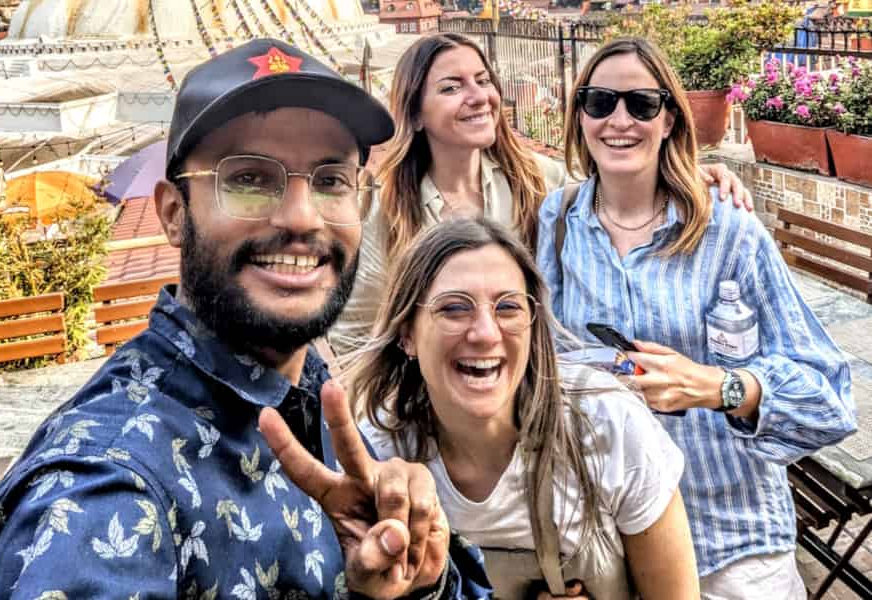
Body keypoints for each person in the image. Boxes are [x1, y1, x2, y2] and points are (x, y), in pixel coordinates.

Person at [0, 39, 491, 599]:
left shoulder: (309, 391)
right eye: (247, 179)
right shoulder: (103, 500)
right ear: (174, 213)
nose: (301, 217)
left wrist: (413, 584)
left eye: (330, 180)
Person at [536, 37, 856, 599]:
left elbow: (829, 398)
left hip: (728, 543)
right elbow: (545, 362)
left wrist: (718, 386)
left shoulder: (729, 232)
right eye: (599, 102)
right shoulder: (558, 221)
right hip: (608, 544)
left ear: (669, 121)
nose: (619, 120)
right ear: (579, 116)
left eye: (641, 104)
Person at [329, 32, 751, 355]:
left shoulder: (534, 179)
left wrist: (684, 171)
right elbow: (355, 339)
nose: (479, 97)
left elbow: (615, 178)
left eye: (482, 80)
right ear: (416, 113)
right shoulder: (390, 212)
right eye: (452, 87)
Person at [350, 217, 700, 599]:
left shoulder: (607, 424)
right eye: (454, 308)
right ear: (407, 335)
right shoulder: (379, 451)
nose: (485, 333)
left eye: (508, 308)